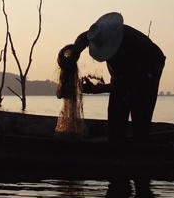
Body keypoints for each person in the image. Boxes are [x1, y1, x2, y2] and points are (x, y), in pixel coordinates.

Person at [56, 12, 166, 142]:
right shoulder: (101, 32)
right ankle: (115, 142)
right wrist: (76, 50)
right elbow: (84, 37)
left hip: (150, 67)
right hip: (125, 73)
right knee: (116, 118)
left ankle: (138, 147)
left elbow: (126, 83)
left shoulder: (133, 51)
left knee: (140, 116)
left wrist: (98, 89)